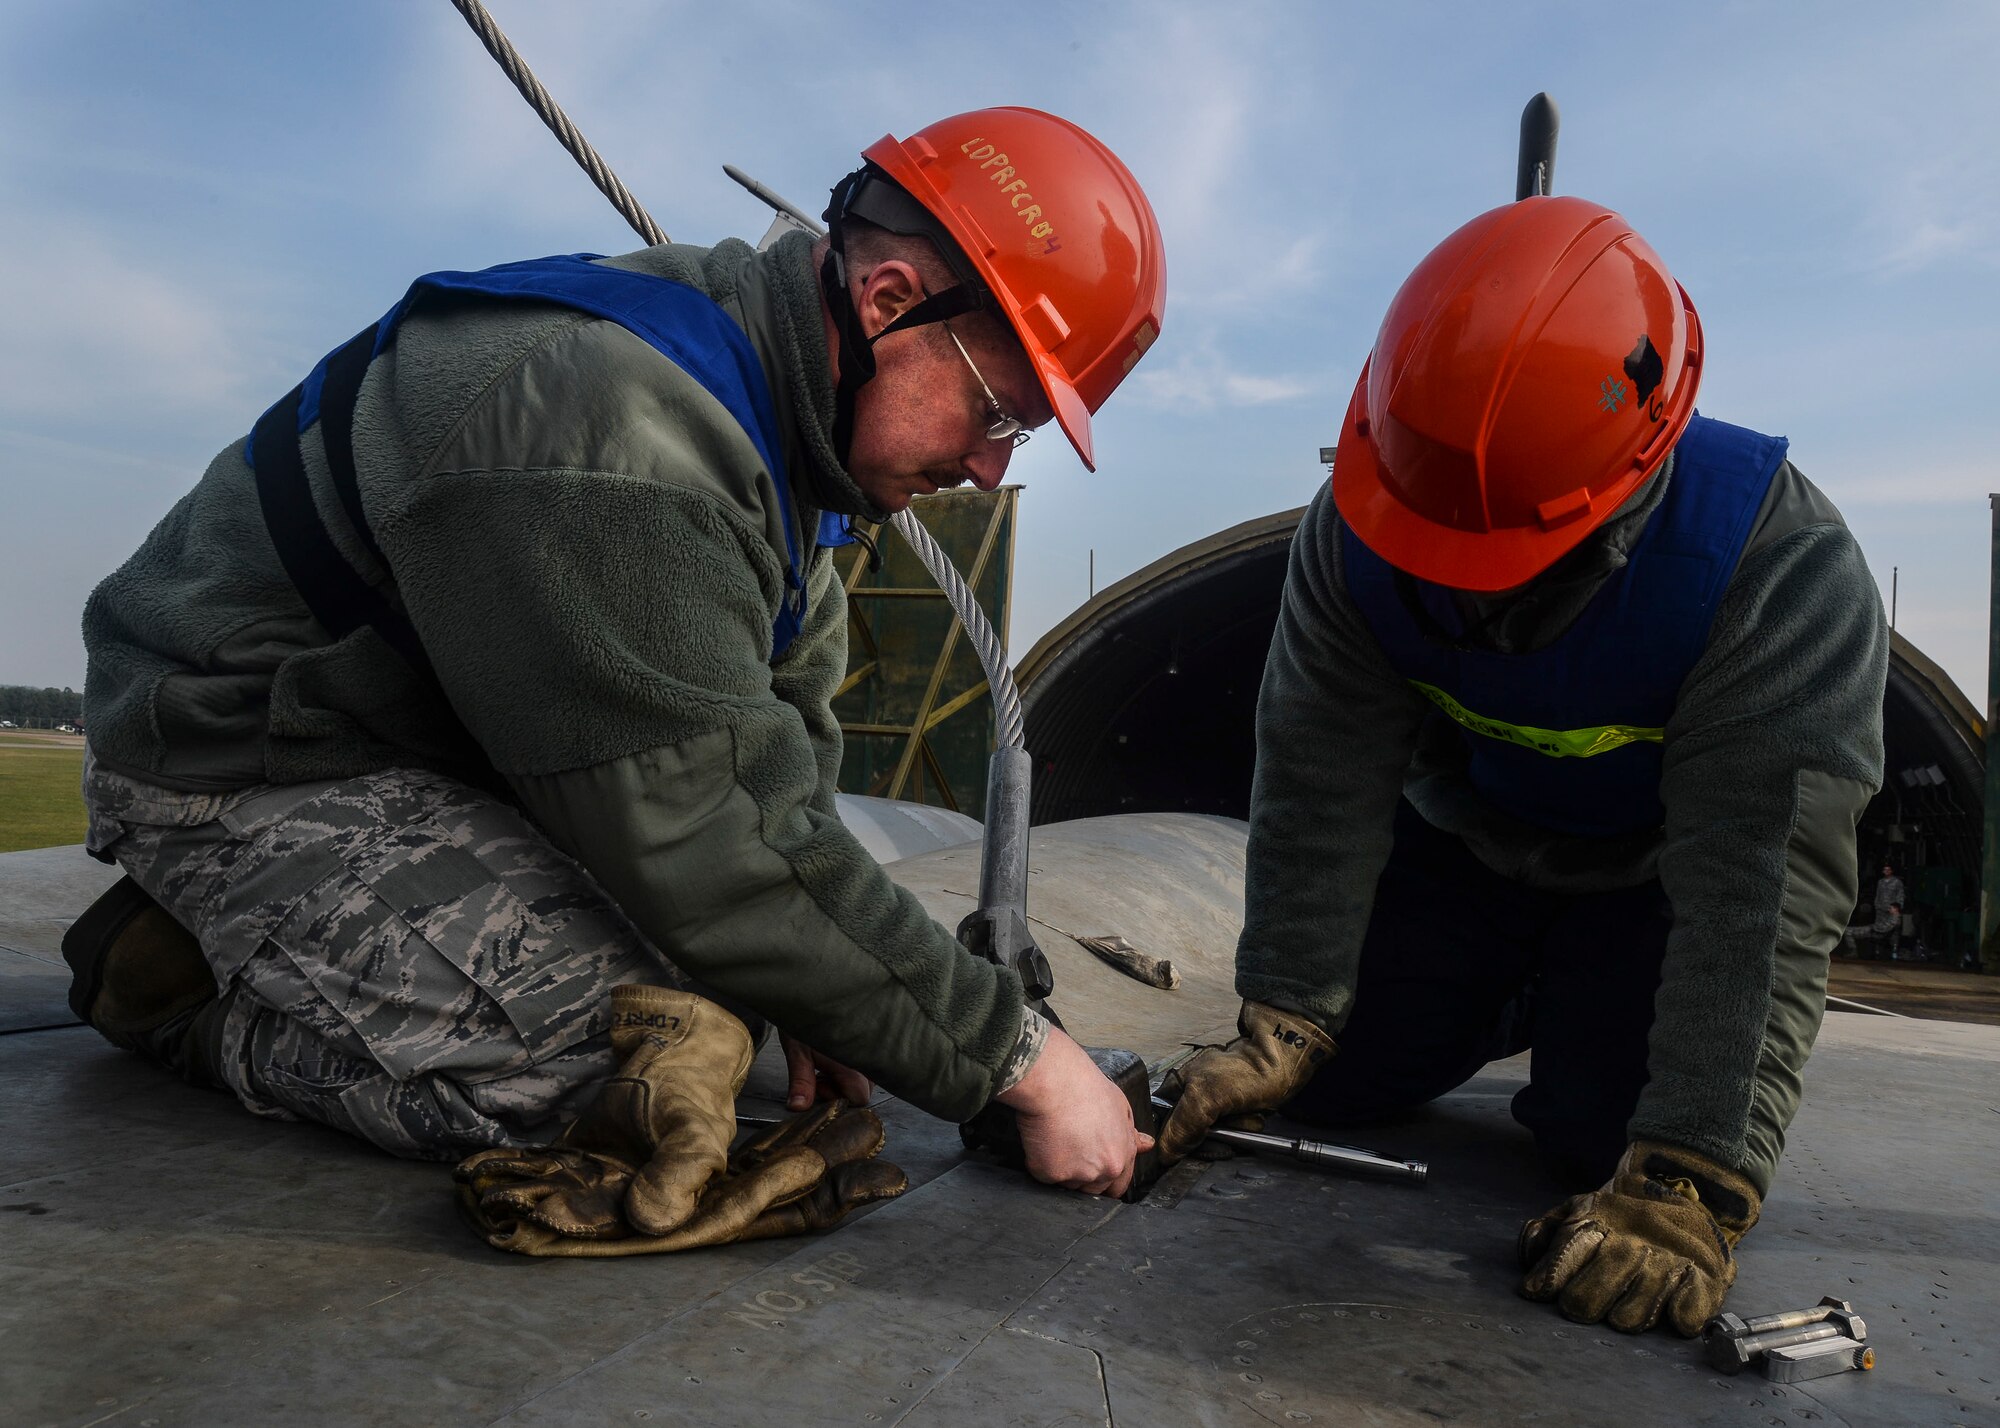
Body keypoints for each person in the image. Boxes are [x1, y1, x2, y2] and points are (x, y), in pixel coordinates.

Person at [70, 107, 1168, 1243]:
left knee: (740, 991)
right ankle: (181, 996)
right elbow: (710, 838)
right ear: (887, 302)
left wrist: (835, 994)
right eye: (998, 415)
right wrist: (1022, 1066)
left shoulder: (779, 447)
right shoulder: (617, 438)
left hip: (441, 755)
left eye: (1020, 439)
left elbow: (780, 764)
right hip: (251, 757)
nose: (988, 472)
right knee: (616, 1072)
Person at [1157, 196, 1886, 1335]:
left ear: (1637, 465)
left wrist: (1694, 1171)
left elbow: (1762, 882)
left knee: (1596, 1150)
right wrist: (1285, 1014)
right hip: (1462, 852)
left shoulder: (1775, 567)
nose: (1463, 585)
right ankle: (1480, 1002)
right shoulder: (1357, 528)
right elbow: (1317, 774)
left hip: (1645, 891)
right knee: (1333, 1086)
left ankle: (1579, 1027)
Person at [1870, 861, 1907, 958]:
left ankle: (1894, 949)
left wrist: (1897, 908)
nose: (1886, 871)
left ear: (1891, 871)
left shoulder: (1897, 882)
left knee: (1894, 930)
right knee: (1878, 929)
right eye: (1884, 870)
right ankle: (1878, 949)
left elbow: (1900, 895)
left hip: (1892, 910)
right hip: (1881, 910)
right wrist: (1876, 905)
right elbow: (1878, 895)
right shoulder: (1880, 882)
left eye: (1888, 870)